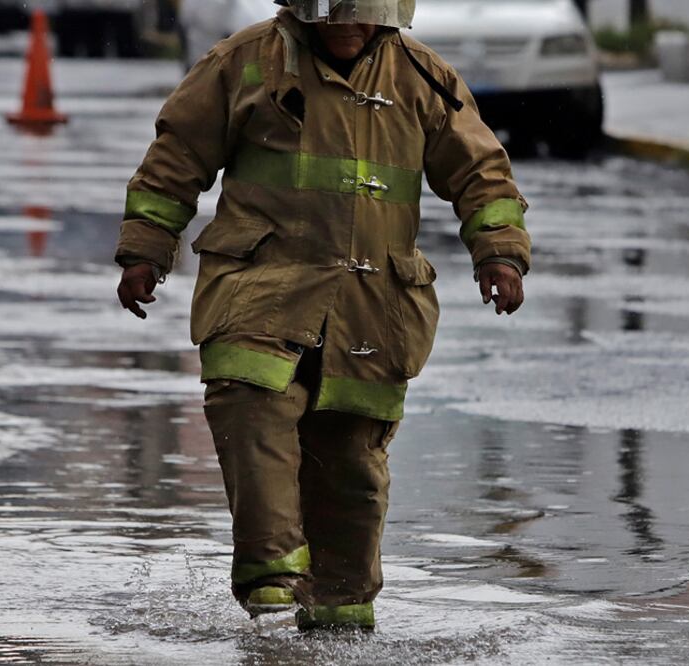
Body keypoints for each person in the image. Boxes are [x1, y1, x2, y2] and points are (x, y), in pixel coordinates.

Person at [114, 0, 531, 631]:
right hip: (258, 288)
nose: (344, 24)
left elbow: (482, 174)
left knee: (352, 463)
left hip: (374, 307)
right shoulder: (243, 64)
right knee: (250, 408)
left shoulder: (421, 79)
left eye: (358, 11)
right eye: (328, 9)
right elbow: (175, 160)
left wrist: (499, 253)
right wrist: (146, 249)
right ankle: (273, 571)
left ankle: (341, 611)